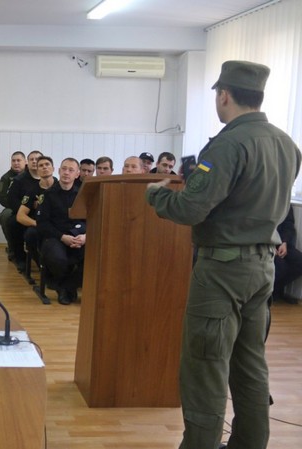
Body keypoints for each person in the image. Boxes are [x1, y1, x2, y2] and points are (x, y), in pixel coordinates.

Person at [145, 60, 301, 449]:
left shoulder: (228, 144)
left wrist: (156, 194)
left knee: (205, 366)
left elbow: (190, 208)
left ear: (224, 95)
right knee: (250, 366)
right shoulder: (286, 143)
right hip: (262, 269)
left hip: (222, 270)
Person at [36, 158, 85, 305]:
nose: (66, 173)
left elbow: (90, 220)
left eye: (71, 170)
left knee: (94, 258)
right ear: (58, 171)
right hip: (55, 237)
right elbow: (42, 224)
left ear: (77, 174)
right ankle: (64, 288)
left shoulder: (82, 195)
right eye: (64, 169)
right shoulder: (48, 195)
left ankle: (66, 286)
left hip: (78, 238)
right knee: (58, 259)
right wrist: (62, 237)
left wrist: (85, 236)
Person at [14, 156, 56, 273]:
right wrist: (38, 224)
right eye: (41, 166)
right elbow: (20, 216)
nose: (44, 167)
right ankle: (42, 267)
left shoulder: (61, 186)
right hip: (39, 225)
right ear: (37, 170)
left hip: (58, 225)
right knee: (30, 235)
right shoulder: (32, 190)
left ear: (53, 168)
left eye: (47, 164)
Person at [0, 151, 26, 260]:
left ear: (25, 161)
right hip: (12, 208)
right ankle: (12, 248)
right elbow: (2, 198)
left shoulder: (31, 175)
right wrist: (18, 207)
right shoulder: (6, 178)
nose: (16, 163)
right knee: (5, 216)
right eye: (13, 161)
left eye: (19, 160)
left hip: (30, 208)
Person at [273, 208, 302, 304]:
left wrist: (284, 242)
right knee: (281, 266)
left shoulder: (286, 204)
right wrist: (268, 246)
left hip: (281, 243)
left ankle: (275, 291)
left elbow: (288, 225)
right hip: (264, 244)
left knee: (299, 262)